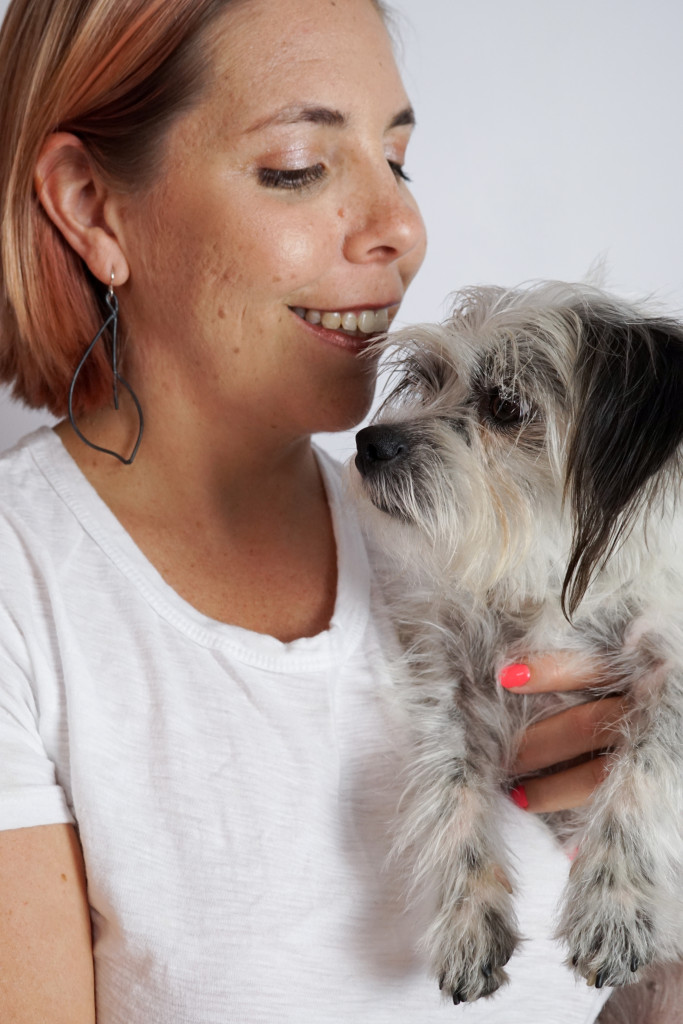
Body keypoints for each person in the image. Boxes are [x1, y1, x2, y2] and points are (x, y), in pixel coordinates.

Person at [0, 0, 629, 1020]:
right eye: (298, 166)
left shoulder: (493, 556)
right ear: (91, 206)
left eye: (397, 159)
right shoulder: (25, 594)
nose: (402, 231)